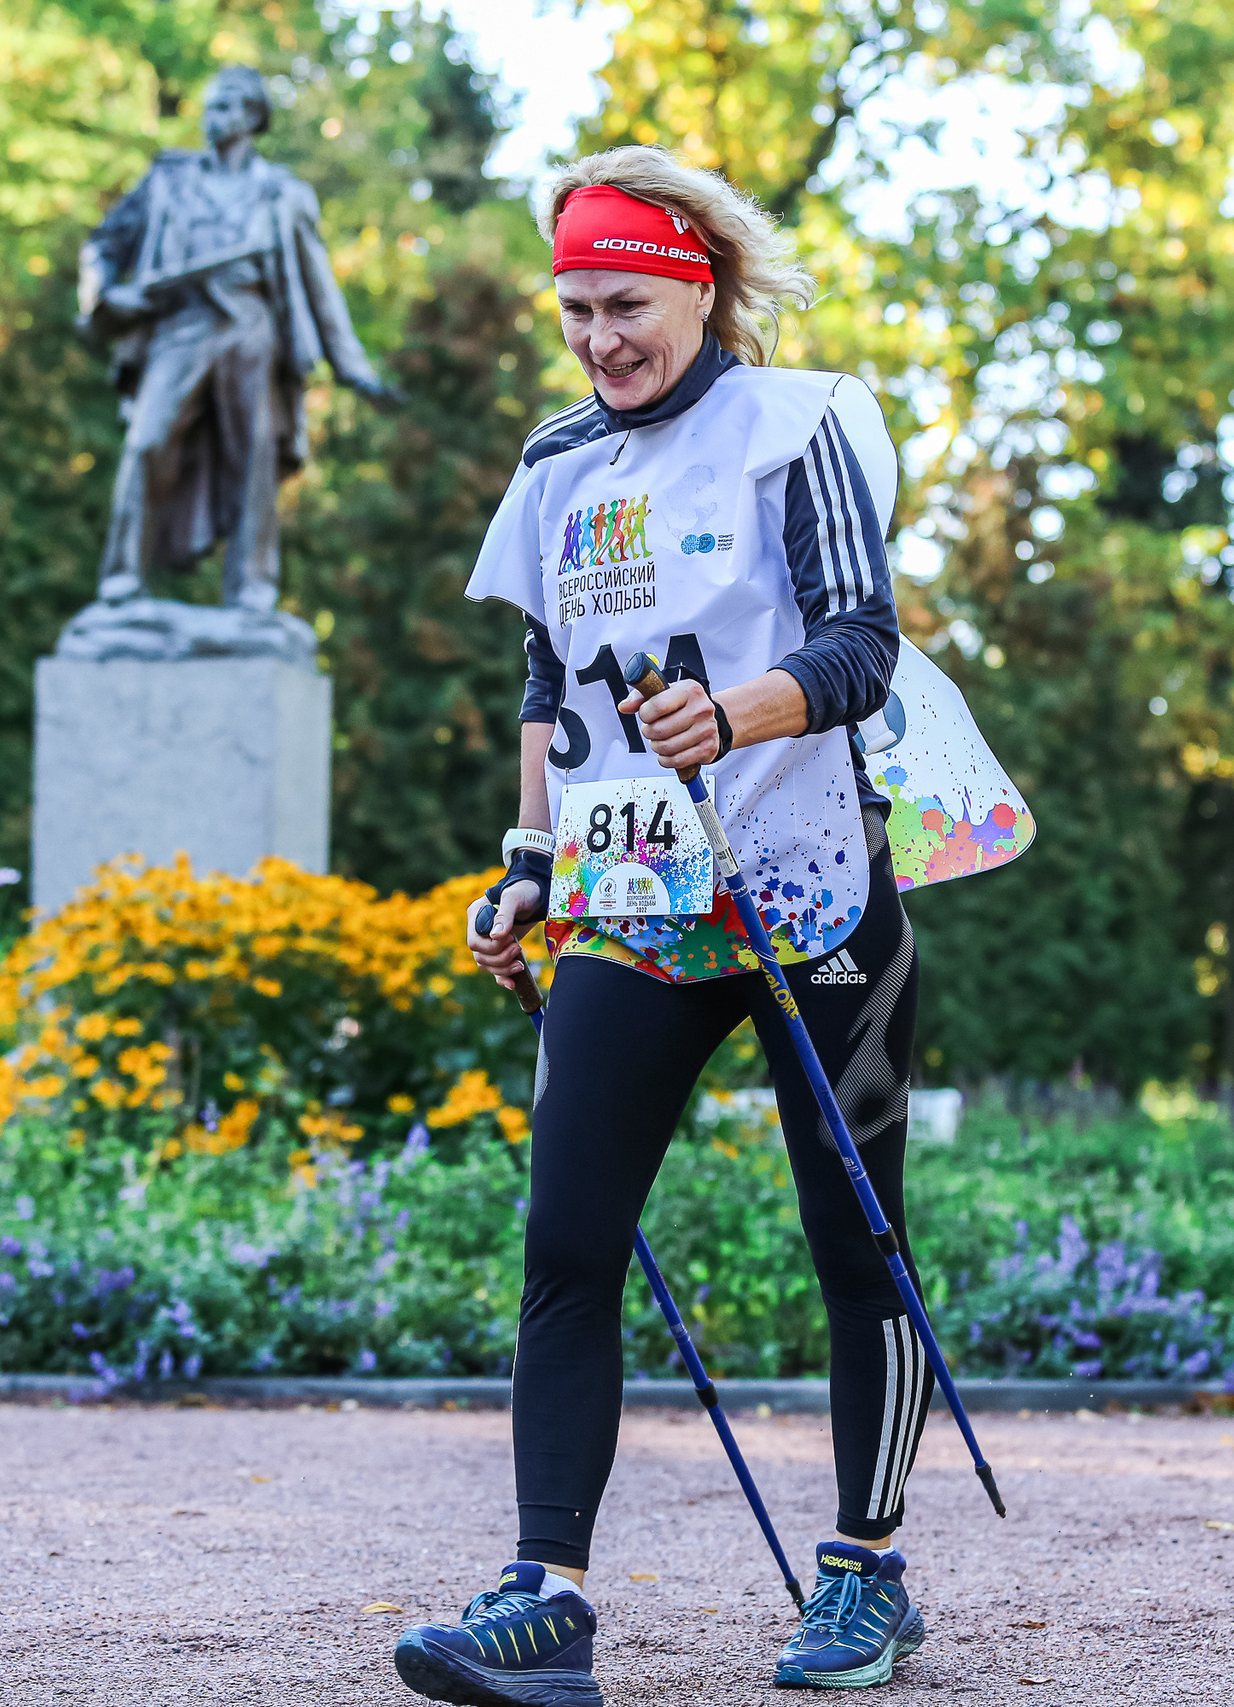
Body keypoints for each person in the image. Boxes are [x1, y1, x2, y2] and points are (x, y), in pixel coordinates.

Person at [394, 148, 930, 1707]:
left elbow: (865, 642)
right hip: (637, 898)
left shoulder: (798, 424)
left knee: (856, 1237)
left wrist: (734, 711)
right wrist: (527, 864)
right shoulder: (558, 458)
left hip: (811, 885)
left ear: (697, 289)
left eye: (625, 303)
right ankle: (545, 1599)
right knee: (567, 1239)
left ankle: (866, 1570)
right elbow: (549, 685)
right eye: (574, 309)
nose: (598, 338)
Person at [77, 65, 394, 612]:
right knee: (146, 442)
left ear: (252, 117)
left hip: (251, 328)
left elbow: (319, 286)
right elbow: (102, 245)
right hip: (179, 325)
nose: (211, 117)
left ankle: (252, 590)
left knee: (255, 457)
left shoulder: (282, 194)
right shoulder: (168, 178)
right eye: (209, 106)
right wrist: (103, 296)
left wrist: (353, 367)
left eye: (225, 106)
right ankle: (122, 579)